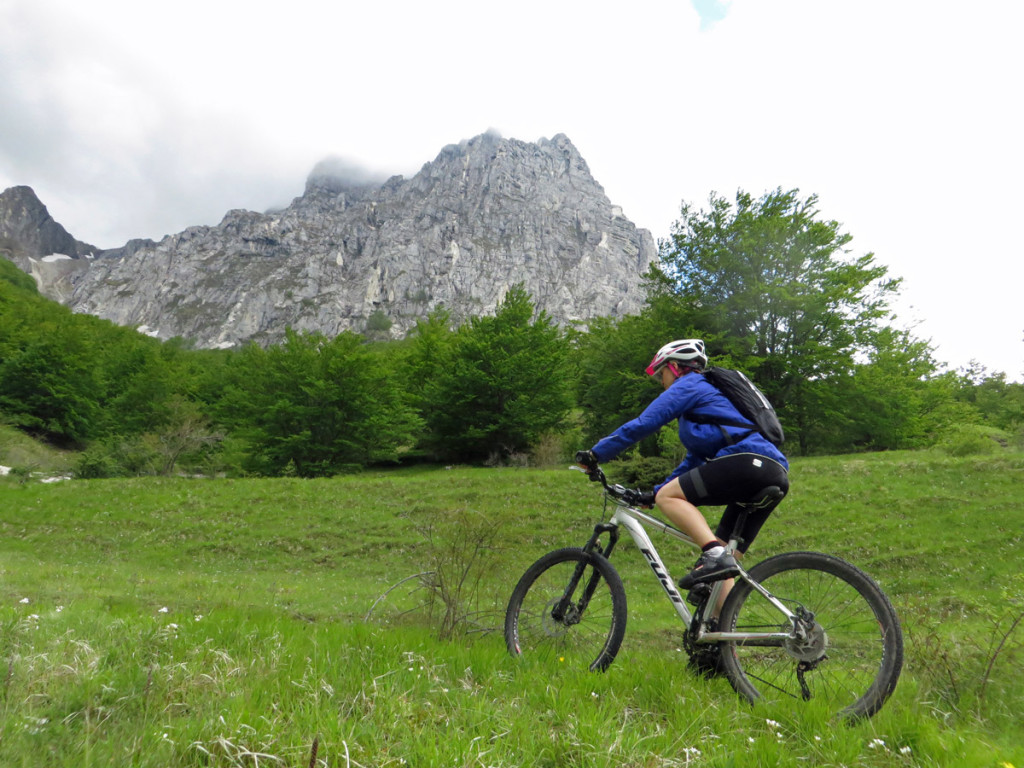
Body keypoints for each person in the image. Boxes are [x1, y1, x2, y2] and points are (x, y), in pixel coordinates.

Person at [576, 339, 789, 597]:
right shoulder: (707, 403)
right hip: (772, 470)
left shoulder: (689, 384)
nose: (661, 382)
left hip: (747, 462)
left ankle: (711, 553)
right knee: (723, 565)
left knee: (683, 514)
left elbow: (644, 423)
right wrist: (653, 494)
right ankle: (721, 634)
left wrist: (596, 454)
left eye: (661, 373)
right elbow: (694, 461)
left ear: (675, 367)